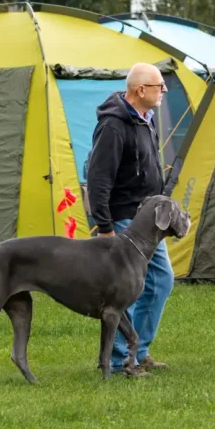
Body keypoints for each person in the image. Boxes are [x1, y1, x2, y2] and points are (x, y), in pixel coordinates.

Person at [87, 62, 176, 375]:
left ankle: (138, 351)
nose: (164, 90)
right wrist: (104, 226)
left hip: (146, 221)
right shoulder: (114, 125)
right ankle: (121, 358)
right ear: (141, 90)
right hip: (124, 219)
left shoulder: (145, 119)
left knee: (160, 280)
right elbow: (97, 177)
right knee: (130, 289)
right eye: (159, 86)